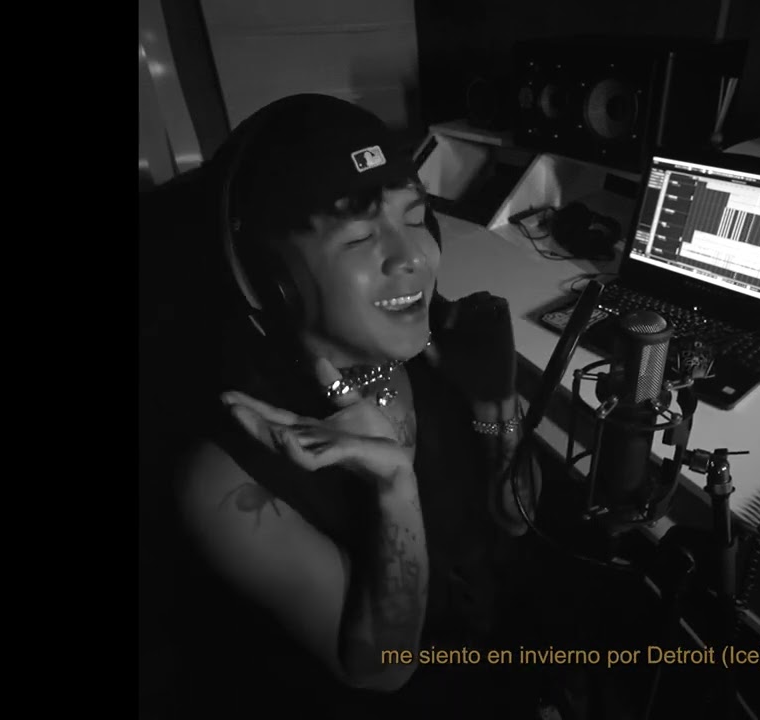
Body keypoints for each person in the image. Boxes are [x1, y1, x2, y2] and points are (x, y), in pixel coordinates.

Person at [139, 94, 544, 719]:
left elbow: (518, 519)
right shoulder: (224, 476)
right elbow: (384, 673)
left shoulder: (427, 345)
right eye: (360, 237)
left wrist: (495, 403)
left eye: (417, 218)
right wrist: (393, 492)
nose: (414, 258)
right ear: (269, 280)